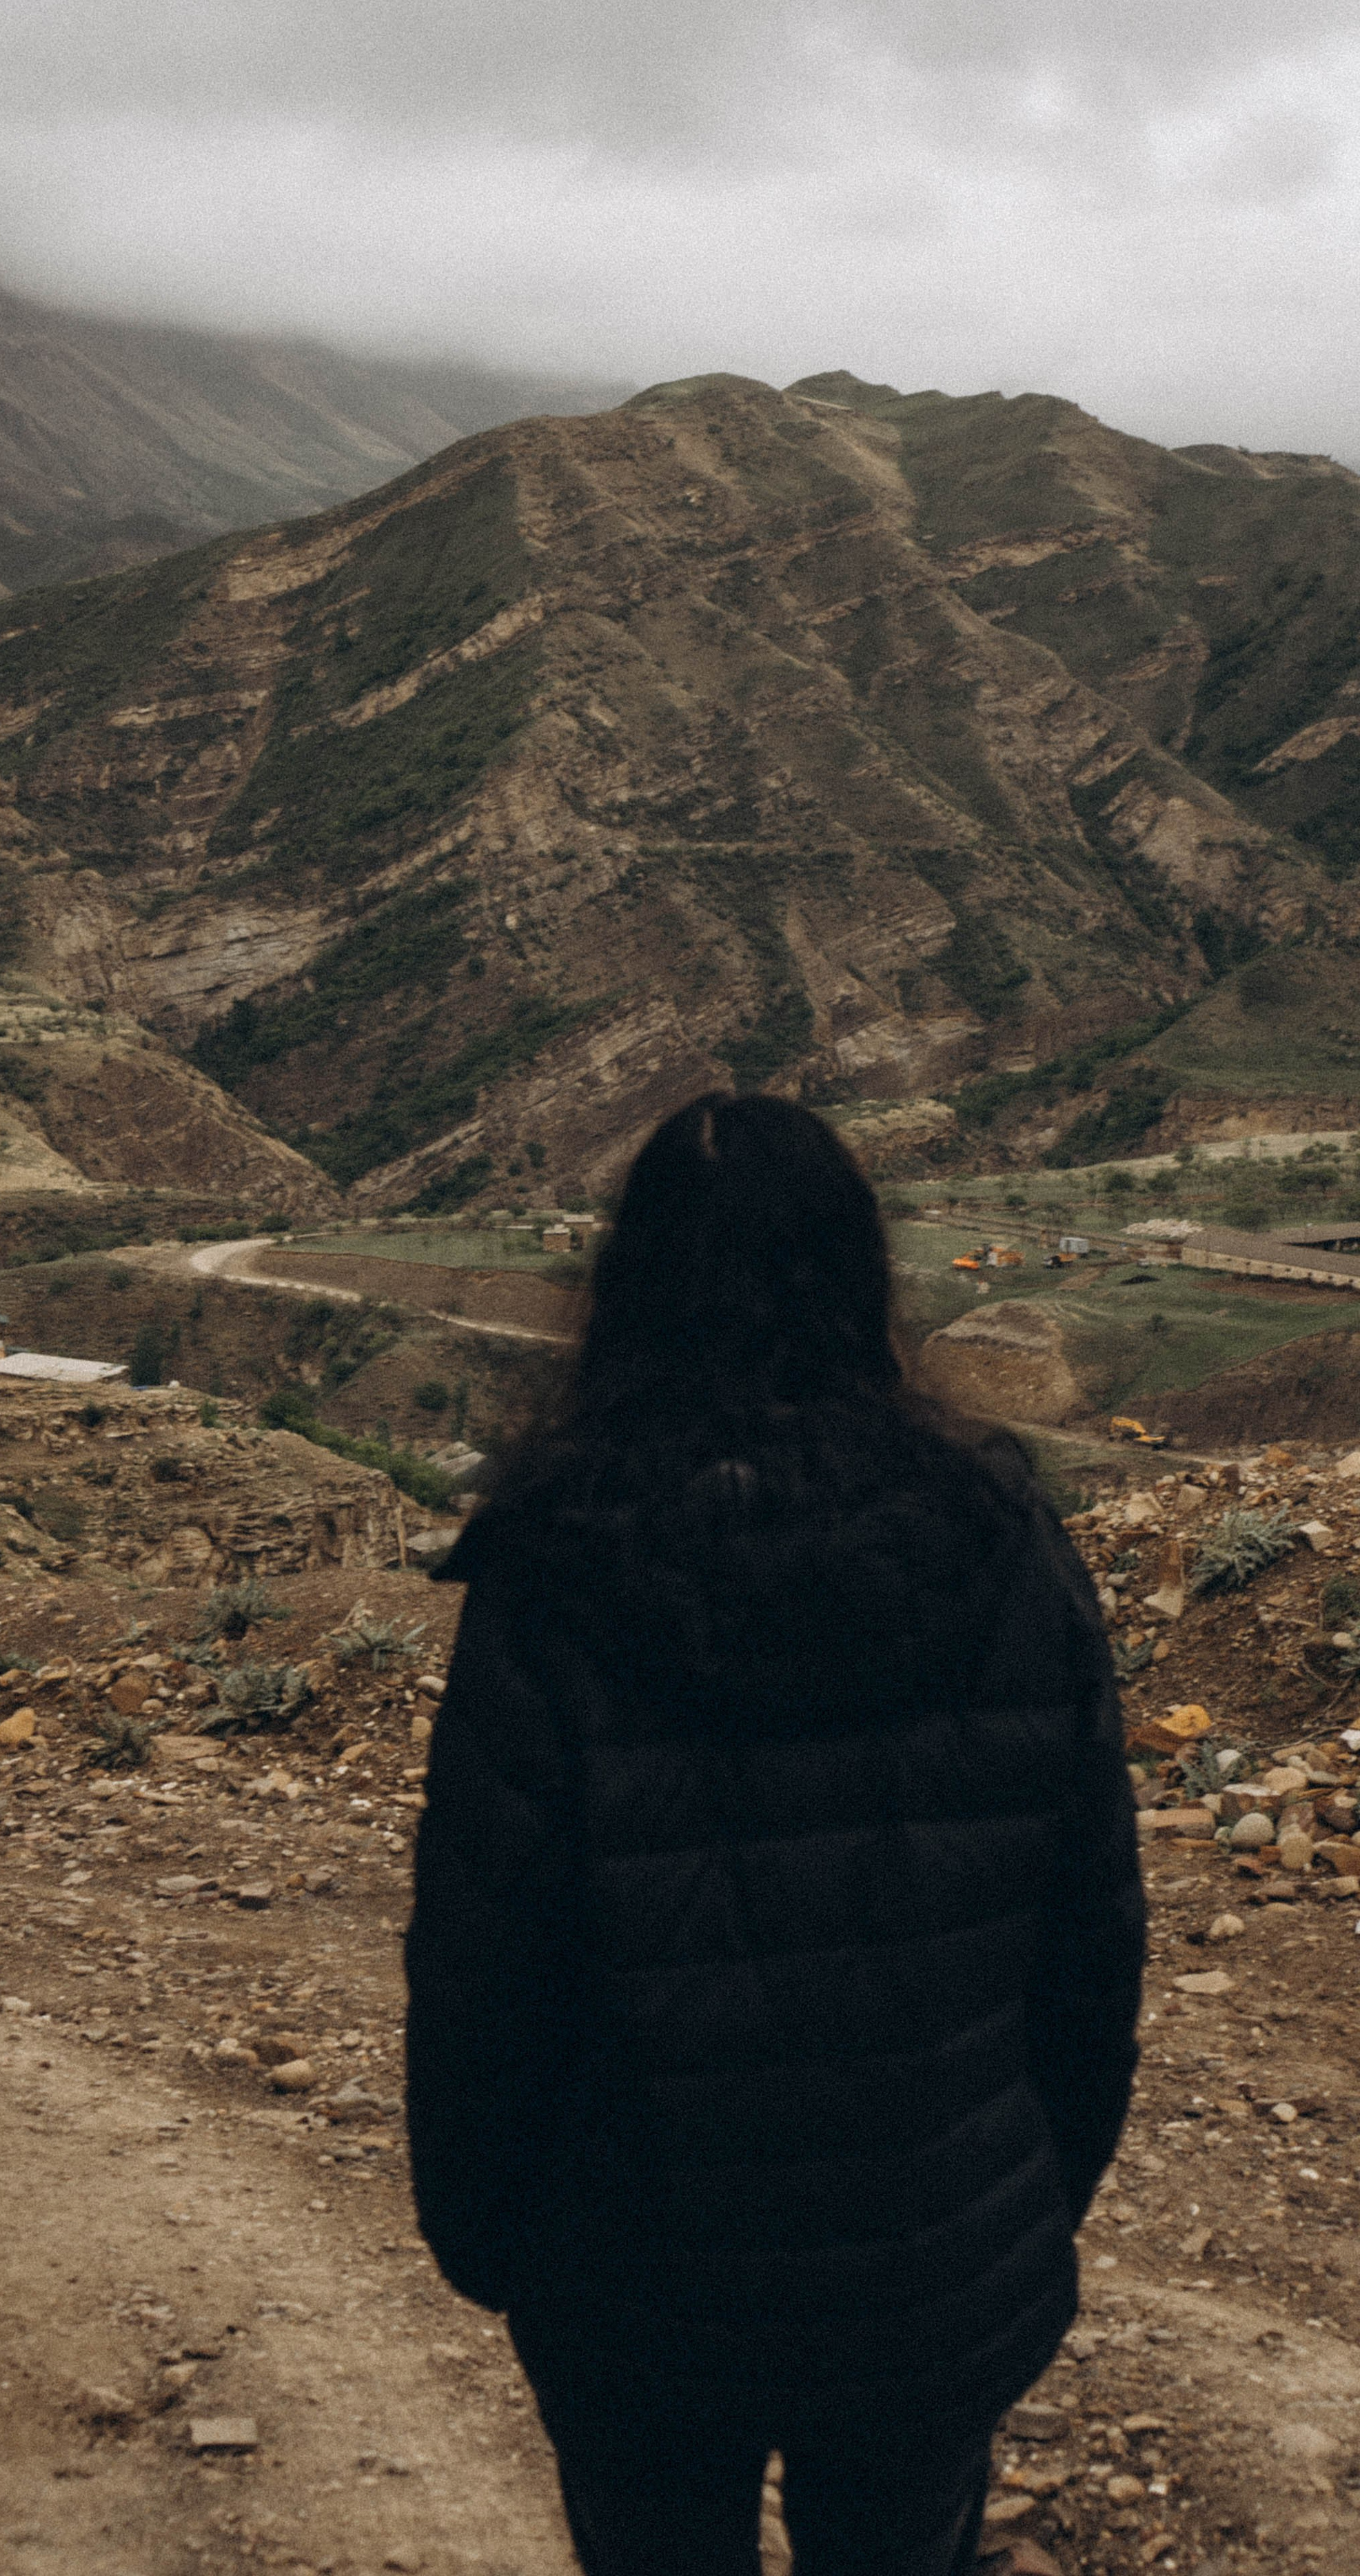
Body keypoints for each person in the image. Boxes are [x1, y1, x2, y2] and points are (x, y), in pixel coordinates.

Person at [405, 1093, 1144, 2576]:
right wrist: (1021, 2201)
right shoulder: (1003, 1545)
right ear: (862, 1280)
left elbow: (485, 1962)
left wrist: (486, 2237)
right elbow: (1090, 1948)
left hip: (631, 2279)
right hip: (932, 2266)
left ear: (625, 1291)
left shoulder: (550, 1573)